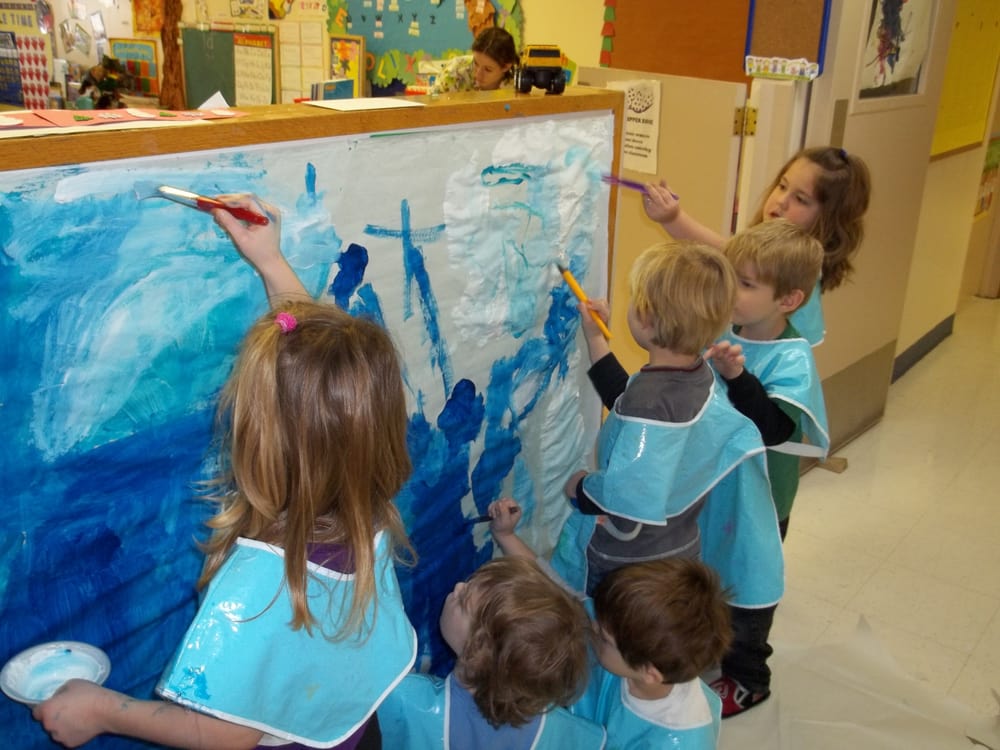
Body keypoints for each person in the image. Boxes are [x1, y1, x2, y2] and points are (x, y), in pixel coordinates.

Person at [33, 203, 418, 749]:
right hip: (354, 735)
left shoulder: (260, 586)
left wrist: (104, 711)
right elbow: (319, 382)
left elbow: (225, 734)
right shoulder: (369, 506)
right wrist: (270, 262)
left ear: (262, 446)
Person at [550, 241, 783, 614]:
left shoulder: (652, 402)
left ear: (645, 317)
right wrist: (595, 338)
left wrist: (581, 489)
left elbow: (628, 495)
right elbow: (626, 401)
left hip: (630, 566)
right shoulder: (696, 374)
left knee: (616, 635)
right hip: (677, 550)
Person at [702, 220, 829, 718]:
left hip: (762, 500)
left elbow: (775, 428)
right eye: (729, 275)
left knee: (748, 588)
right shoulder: (723, 330)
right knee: (711, 568)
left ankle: (749, 679)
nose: (730, 289)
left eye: (746, 283)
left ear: (788, 300)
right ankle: (708, 647)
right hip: (717, 485)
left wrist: (738, 376)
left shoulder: (792, 356)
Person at [490, 498, 732, 750]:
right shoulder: (631, 637)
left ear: (649, 673)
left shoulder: (676, 742)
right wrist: (506, 536)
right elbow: (555, 590)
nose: (592, 627)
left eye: (604, 638)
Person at [642, 146, 871, 345]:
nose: (781, 201)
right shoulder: (767, 249)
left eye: (801, 199)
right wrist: (672, 218)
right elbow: (723, 251)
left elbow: (721, 250)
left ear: (828, 218)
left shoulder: (797, 269)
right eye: (782, 186)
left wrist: (674, 219)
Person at [377, 555, 607, 749]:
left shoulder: (404, 700)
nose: (458, 586)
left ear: (477, 655)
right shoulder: (572, 735)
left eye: (463, 601)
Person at [430, 27, 519, 94]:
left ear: (506, 67)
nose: (478, 75)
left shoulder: (517, 85)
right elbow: (431, 105)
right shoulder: (454, 73)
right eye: (475, 63)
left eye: (488, 69)